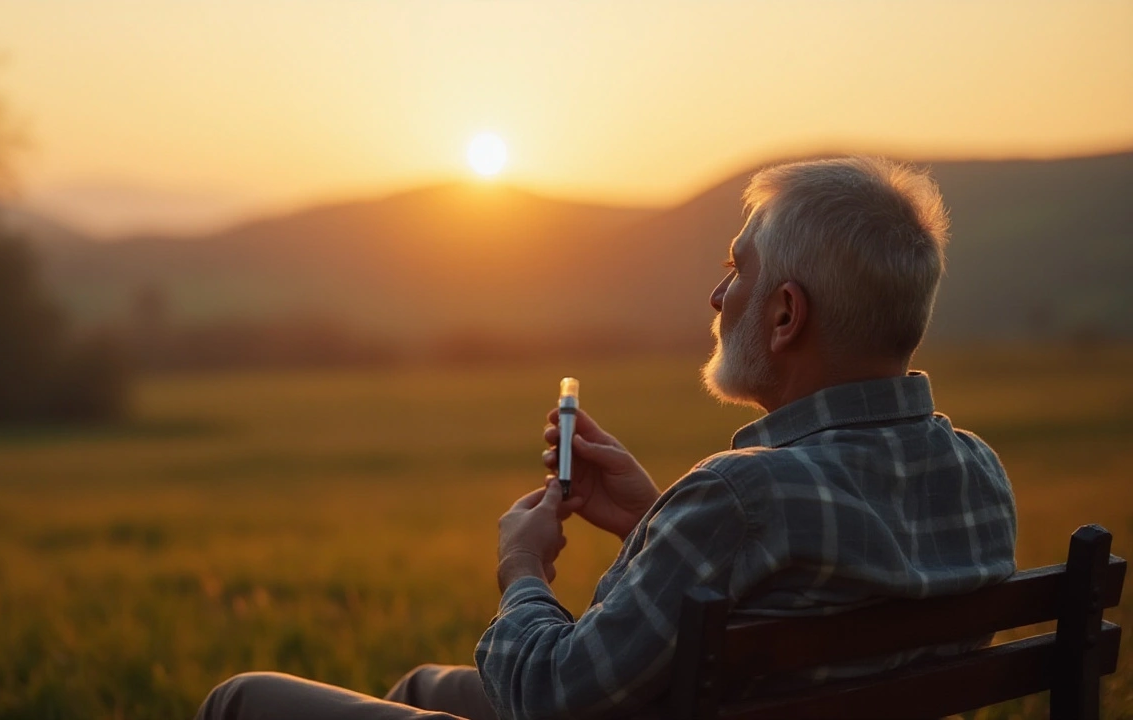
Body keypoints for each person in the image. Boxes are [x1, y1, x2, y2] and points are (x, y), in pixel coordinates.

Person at [195, 156, 1018, 720]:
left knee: (243, 700)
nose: (716, 292)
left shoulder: (740, 499)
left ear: (785, 314)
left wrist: (521, 571)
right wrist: (656, 520)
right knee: (424, 686)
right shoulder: (979, 477)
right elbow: (809, 586)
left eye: (739, 268)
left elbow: (557, 697)